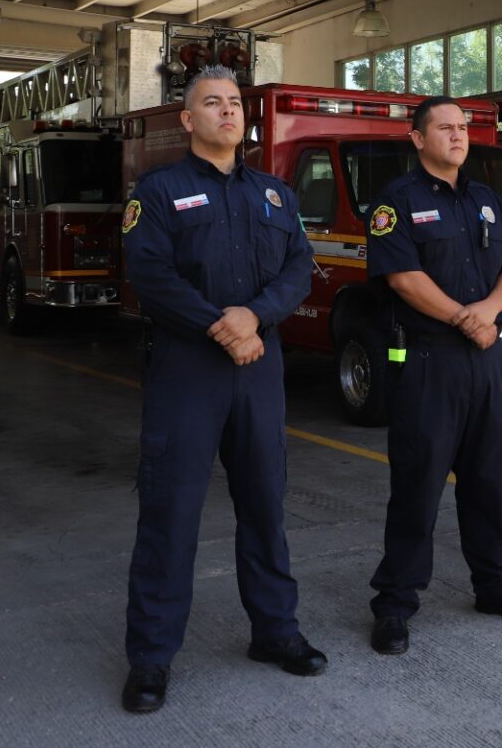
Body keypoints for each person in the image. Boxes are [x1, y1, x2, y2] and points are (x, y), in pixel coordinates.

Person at [120, 65, 324, 714]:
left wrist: (255, 316)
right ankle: (151, 658)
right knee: (171, 512)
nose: (228, 112)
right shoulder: (158, 191)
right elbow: (149, 275)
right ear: (188, 119)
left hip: (258, 367)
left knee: (265, 504)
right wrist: (224, 325)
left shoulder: (274, 195)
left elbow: (300, 266)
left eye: (235, 103)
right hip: (188, 368)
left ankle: (276, 631)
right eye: (212, 103)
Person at [364, 96, 502, 657]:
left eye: (462, 128)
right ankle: (395, 603)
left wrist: (486, 313)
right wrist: (463, 318)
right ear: (418, 139)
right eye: (444, 128)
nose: (457, 136)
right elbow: (403, 278)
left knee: (489, 481)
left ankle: (494, 586)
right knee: (417, 487)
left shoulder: (486, 198)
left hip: (487, 357)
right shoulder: (396, 202)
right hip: (428, 359)